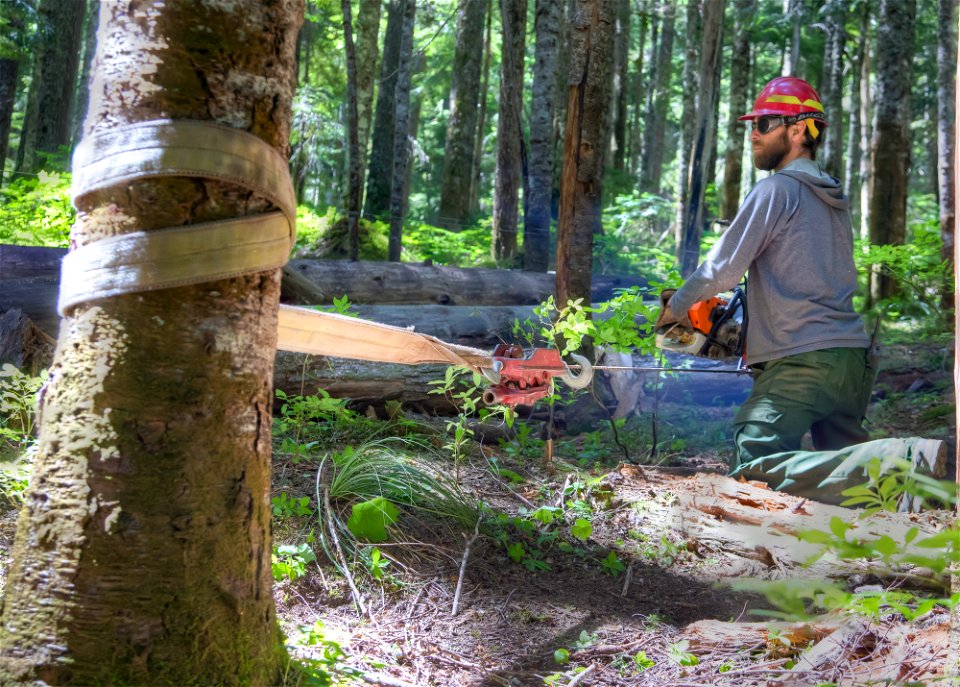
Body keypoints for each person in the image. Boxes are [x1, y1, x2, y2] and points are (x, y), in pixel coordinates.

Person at [659, 76, 946, 505]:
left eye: (766, 123)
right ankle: (925, 493)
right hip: (851, 361)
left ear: (798, 130)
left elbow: (720, 272)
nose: (754, 133)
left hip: (803, 362)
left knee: (754, 465)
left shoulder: (775, 189)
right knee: (858, 485)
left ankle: (901, 461)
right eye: (752, 124)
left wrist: (676, 309)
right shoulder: (833, 199)